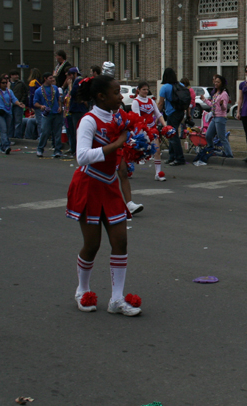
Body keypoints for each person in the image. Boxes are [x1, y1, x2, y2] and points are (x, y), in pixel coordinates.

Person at [66, 74, 142, 316]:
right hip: (89, 185)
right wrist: (118, 144)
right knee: (92, 245)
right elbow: (82, 157)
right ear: (101, 96)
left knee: (120, 241)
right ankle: (82, 290)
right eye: (116, 92)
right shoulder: (89, 121)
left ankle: (117, 299)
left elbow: (123, 145)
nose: (121, 96)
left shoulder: (118, 117)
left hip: (109, 186)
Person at [131, 81, 168, 181]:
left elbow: (158, 114)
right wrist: (144, 130)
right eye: (144, 89)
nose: (146, 91)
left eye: (147, 89)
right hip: (141, 130)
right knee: (136, 151)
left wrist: (165, 126)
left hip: (152, 129)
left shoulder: (151, 101)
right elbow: (137, 118)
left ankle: (158, 173)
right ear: (138, 90)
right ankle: (127, 168)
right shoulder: (136, 102)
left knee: (157, 150)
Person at [157, 68, 187, 166]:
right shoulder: (181, 85)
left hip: (171, 113)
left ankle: (179, 158)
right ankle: (172, 156)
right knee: (171, 134)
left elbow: (161, 103)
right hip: (180, 112)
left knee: (173, 136)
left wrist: (157, 114)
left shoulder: (165, 87)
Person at [0, 76, 26, 155]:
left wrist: (19, 104)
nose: (5, 84)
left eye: (6, 83)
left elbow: (14, 99)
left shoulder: (9, 92)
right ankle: (6, 145)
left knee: (7, 130)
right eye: (3, 83)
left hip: (8, 112)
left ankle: (2, 147)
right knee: (3, 129)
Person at [33, 73, 64, 158]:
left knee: (57, 133)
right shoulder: (39, 90)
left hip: (56, 113)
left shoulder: (55, 88)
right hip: (47, 114)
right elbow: (35, 103)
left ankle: (57, 150)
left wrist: (60, 107)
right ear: (45, 78)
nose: (52, 80)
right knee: (45, 132)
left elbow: (58, 99)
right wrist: (41, 106)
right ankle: (40, 149)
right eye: (50, 78)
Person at [205, 74, 234, 158]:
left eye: (218, 82)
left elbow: (224, 108)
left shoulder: (224, 94)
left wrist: (222, 105)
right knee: (208, 135)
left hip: (221, 117)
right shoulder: (216, 93)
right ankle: (211, 148)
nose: (216, 83)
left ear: (222, 83)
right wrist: (205, 100)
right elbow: (212, 105)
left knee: (222, 137)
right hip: (214, 116)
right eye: (215, 82)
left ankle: (229, 154)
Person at [65, 67, 88, 156]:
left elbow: (73, 93)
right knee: (71, 130)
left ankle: (78, 150)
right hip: (75, 109)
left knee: (77, 130)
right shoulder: (79, 81)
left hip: (78, 109)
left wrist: (70, 86)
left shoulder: (77, 81)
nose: (69, 78)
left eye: (70, 75)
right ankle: (73, 148)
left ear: (74, 74)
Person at [9, 71, 27, 139]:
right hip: (9, 105)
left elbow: (25, 93)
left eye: (17, 75)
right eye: (15, 75)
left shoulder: (21, 84)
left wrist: (22, 101)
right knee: (10, 121)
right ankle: (10, 136)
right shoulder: (7, 84)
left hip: (18, 105)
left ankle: (17, 136)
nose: (17, 76)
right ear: (11, 75)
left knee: (18, 121)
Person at [28, 68, 45, 135]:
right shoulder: (40, 83)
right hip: (42, 103)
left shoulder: (33, 82)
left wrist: (30, 105)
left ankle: (40, 136)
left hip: (37, 104)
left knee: (39, 121)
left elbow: (32, 95)